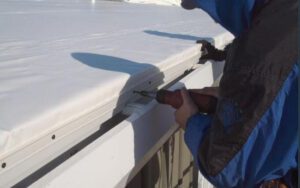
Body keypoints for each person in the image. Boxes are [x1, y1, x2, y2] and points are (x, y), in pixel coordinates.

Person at [175, 0, 298, 187]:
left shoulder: (262, 50)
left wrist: (191, 122)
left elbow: (229, 167)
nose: (218, 21)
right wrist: (238, 102)